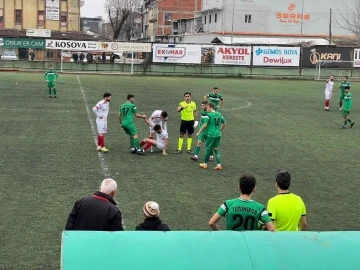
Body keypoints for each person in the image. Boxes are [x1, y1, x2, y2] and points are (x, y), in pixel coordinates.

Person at [209, 173, 275, 232]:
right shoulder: (260, 208)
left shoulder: (228, 204)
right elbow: (272, 229)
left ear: (239, 187)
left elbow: (211, 223)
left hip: (232, 241)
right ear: (254, 189)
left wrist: (219, 234)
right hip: (250, 243)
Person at [196, 102, 226, 170]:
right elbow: (225, 123)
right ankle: (219, 165)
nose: (206, 109)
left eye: (207, 107)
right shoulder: (219, 114)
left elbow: (205, 125)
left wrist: (199, 132)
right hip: (218, 134)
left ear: (211, 107)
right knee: (216, 149)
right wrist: (220, 130)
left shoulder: (208, 115)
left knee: (208, 149)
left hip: (211, 135)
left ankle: (205, 164)